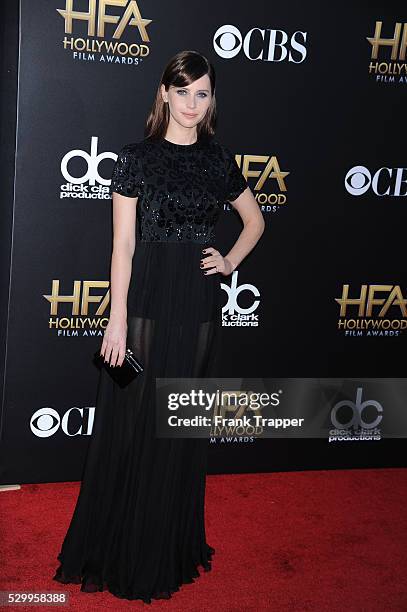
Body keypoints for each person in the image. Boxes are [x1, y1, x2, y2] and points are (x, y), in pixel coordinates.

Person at [52, 49, 265, 603]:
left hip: (195, 303)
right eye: (184, 90)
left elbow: (255, 220)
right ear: (164, 93)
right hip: (144, 297)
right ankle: (120, 543)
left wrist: (229, 261)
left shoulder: (218, 162)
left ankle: (167, 545)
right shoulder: (135, 159)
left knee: (179, 425)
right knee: (132, 422)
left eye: (203, 92)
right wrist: (115, 318)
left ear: (211, 99)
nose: (193, 102)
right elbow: (122, 246)